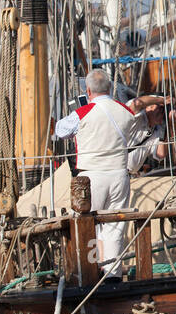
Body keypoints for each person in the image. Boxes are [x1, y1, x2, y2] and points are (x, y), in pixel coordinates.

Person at [52, 69, 167, 278]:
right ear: (109, 88)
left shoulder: (84, 112)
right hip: (119, 176)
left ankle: (88, 274)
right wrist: (162, 99)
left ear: (88, 90)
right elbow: (138, 105)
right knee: (114, 228)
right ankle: (112, 275)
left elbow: (60, 131)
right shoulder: (124, 111)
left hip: (91, 177)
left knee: (87, 225)